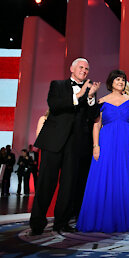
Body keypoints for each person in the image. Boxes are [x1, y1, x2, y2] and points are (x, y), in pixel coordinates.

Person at [29, 58, 101, 235]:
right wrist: (79, 94)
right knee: (46, 183)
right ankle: (37, 223)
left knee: (68, 185)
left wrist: (90, 97)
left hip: (76, 144)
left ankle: (61, 222)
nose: (84, 71)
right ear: (72, 69)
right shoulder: (58, 85)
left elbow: (93, 116)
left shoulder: (89, 90)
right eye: (81, 67)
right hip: (53, 140)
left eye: (87, 69)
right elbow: (54, 105)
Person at [76, 69, 129, 233]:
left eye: (123, 80)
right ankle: (103, 218)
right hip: (106, 142)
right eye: (117, 79)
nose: (121, 82)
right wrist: (96, 146)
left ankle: (127, 217)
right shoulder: (101, 101)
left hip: (126, 142)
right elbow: (96, 125)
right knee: (105, 176)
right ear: (111, 83)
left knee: (126, 176)